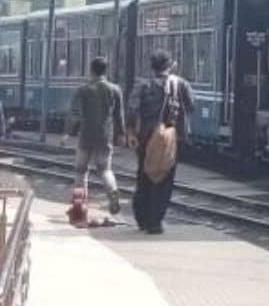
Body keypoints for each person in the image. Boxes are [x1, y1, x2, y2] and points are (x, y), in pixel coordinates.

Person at [127, 50, 194, 234]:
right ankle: (155, 221)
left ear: (152, 66)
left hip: (146, 139)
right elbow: (191, 106)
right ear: (171, 64)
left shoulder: (142, 85)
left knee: (144, 176)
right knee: (163, 180)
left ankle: (142, 218)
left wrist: (131, 132)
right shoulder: (181, 84)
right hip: (171, 139)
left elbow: (132, 110)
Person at [68, 57, 125, 215]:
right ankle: (112, 191)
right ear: (105, 70)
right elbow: (119, 115)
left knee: (81, 170)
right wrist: (121, 134)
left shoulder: (83, 89)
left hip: (85, 136)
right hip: (105, 136)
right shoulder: (115, 89)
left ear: (91, 70)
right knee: (105, 170)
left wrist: (67, 133)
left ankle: (80, 205)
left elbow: (75, 114)